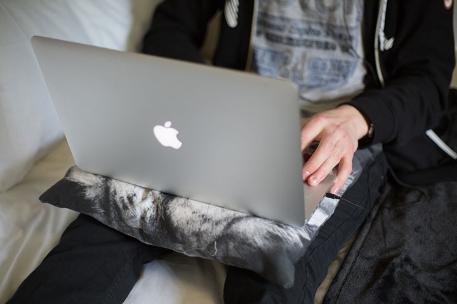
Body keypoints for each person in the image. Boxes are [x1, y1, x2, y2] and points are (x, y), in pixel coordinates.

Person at [8, 1, 455, 303]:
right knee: (111, 217)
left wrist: (357, 117)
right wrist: (202, 90)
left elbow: (430, 82)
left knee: (273, 260)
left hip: (342, 130)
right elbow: (170, 26)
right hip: (229, 110)